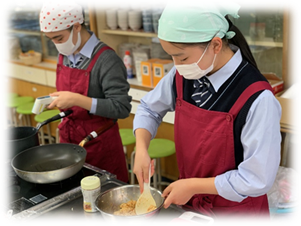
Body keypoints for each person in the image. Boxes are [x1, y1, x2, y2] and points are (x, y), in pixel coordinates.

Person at [133, 2, 281, 224]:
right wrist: (141, 147)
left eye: (182, 58)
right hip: (192, 207)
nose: (176, 66)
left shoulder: (258, 98)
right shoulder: (183, 74)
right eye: (171, 56)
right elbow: (148, 108)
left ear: (215, 44)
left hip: (237, 214)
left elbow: (257, 178)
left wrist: (193, 186)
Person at [39, 0, 131, 183]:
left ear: (77, 26)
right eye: (52, 40)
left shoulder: (107, 60)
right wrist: (60, 102)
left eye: (59, 38)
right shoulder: (66, 54)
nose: (57, 45)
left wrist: (76, 99)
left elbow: (121, 107)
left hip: (99, 144)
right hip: (70, 141)